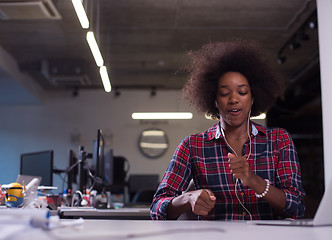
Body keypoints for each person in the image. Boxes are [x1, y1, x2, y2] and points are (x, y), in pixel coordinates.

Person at [150, 39, 305, 220]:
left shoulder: (278, 140)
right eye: (224, 93)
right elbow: (156, 208)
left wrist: (254, 181)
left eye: (242, 92)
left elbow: (297, 208)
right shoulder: (192, 146)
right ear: (213, 100)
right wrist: (187, 198)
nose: (233, 99)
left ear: (253, 97)